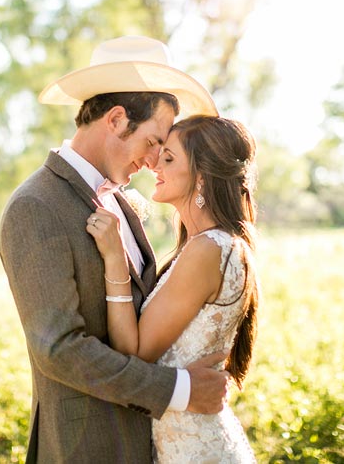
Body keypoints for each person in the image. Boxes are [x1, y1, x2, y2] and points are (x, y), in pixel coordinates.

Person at [0, 36, 231, 463]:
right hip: (89, 449)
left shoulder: (122, 203)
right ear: (117, 119)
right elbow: (59, 350)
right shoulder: (36, 206)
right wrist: (178, 390)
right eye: (152, 142)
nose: (153, 161)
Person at [87, 115, 260, 463]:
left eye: (168, 159)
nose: (154, 166)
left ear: (201, 176)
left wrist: (114, 259)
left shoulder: (208, 250)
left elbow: (134, 354)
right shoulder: (215, 245)